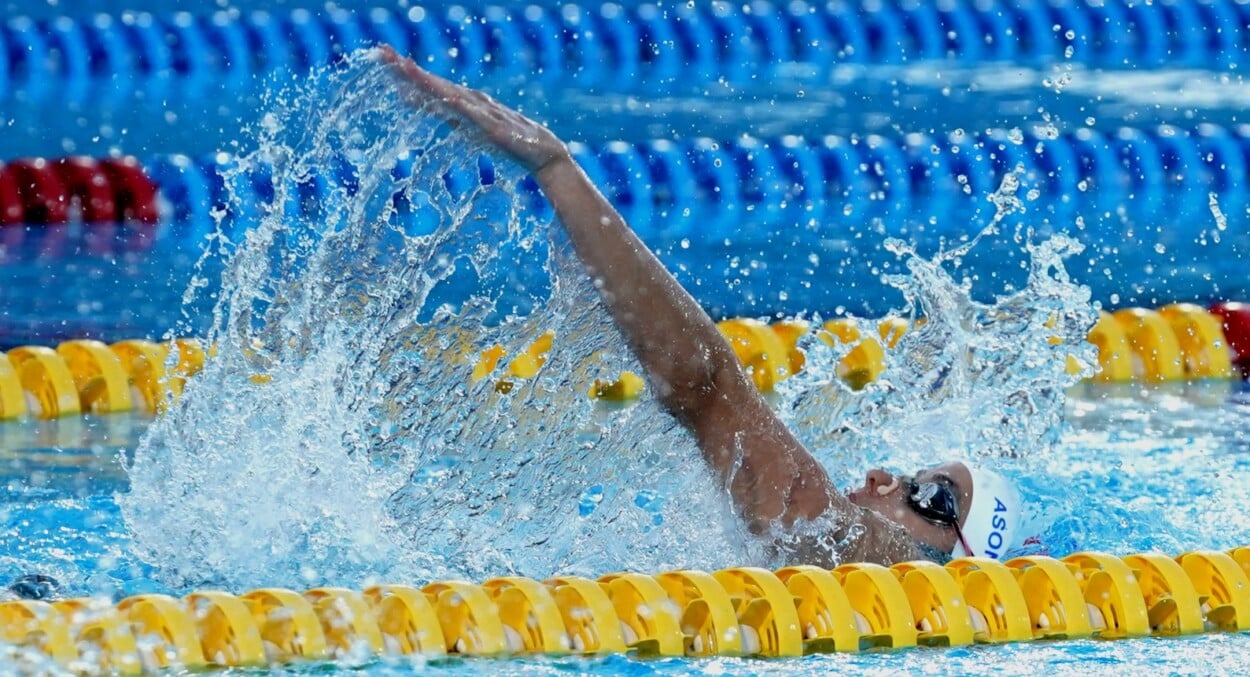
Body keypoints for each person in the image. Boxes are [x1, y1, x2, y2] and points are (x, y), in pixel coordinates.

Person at [379, 46, 1022, 567]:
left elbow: (708, 385)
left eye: (932, 496)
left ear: (960, 558)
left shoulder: (861, 550)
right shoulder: (840, 554)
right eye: (918, 478)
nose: (886, 479)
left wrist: (557, 171)